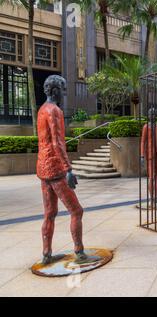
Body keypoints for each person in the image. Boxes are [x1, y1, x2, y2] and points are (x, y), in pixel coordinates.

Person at [37, 75, 99, 265]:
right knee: (76, 211)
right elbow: (57, 142)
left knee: (49, 213)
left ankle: (46, 254)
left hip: (42, 168)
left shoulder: (42, 109)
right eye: (63, 90)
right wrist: (68, 169)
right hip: (55, 169)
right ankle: (80, 253)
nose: (64, 94)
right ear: (55, 90)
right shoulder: (54, 111)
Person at [140, 110, 157, 203]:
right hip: (150, 154)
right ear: (148, 115)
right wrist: (142, 155)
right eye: (150, 114)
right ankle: (151, 197)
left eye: (154, 114)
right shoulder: (146, 127)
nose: (152, 116)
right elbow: (143, 141)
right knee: (151, 177)